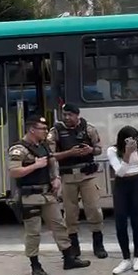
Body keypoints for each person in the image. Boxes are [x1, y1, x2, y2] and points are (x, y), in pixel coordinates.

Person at [8, 115, 91, 275]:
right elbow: (14, 171)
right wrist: (35, 165)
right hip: (30, 196)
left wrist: (56, 178)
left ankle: (69, 258)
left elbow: (53, 162)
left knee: (59, 225)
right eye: (42, 129)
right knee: (33, 232)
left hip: (48, 194)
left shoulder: (43, 145)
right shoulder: (18, 149)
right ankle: (35, 265)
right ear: (32, 130)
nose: (46, 131)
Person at [47, 104, 107, 259]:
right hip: (68, 178)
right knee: (70, 214)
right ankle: (74, 246)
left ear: (77, 115)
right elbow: (51, 155)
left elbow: (99, 149)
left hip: (88, 176)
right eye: (64, 114)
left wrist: (91, 151)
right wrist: (69, 153)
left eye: (70, 115)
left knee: (94, 209)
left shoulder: (89, 129)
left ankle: (98, 244)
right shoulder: (56, 132)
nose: (66, 117)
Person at [107, 126, 138, 275]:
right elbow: (119, 172)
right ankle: (125, 258)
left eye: (135, 138)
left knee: (137, 221)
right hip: (122, 185)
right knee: (120, 221)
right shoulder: (112, 151)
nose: (133, 142)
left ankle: (137, 257)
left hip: (137, 182)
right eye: (129, 139)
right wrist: (127, 154)